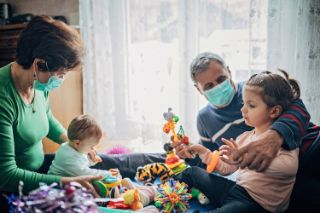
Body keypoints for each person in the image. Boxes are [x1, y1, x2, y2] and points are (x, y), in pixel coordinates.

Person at [176, 70, 301, 212]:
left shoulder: (281, 138)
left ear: (274, 111)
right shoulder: (245, 137)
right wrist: (205, 153)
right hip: (236, 190)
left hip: (257, 204)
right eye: (244, 103)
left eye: (251, 105)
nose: (243, 110)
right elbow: (227, 168)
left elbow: (288, 168)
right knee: (191, 173)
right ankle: (155, 194)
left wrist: (243, 158)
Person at [174, 52, 310, 173]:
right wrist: (190, 154)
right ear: (198, 89)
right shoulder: (204, 120)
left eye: (221, 79)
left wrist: (274, 136)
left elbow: (298, 108)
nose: (218, 87)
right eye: (209, 86)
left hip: (297, 156)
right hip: (257, 179)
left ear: (229, 71)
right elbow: (213, 163)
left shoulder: (254, 89)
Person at [48, 114, 120, 178]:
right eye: (91, 146)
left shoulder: (73, 148)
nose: (93, 149)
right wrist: (107, 174)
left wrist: (91, 161)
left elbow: (81, 162)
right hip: (56, 187)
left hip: (73, 179)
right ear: (77, 143)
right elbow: (85, 173)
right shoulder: (68, 158)